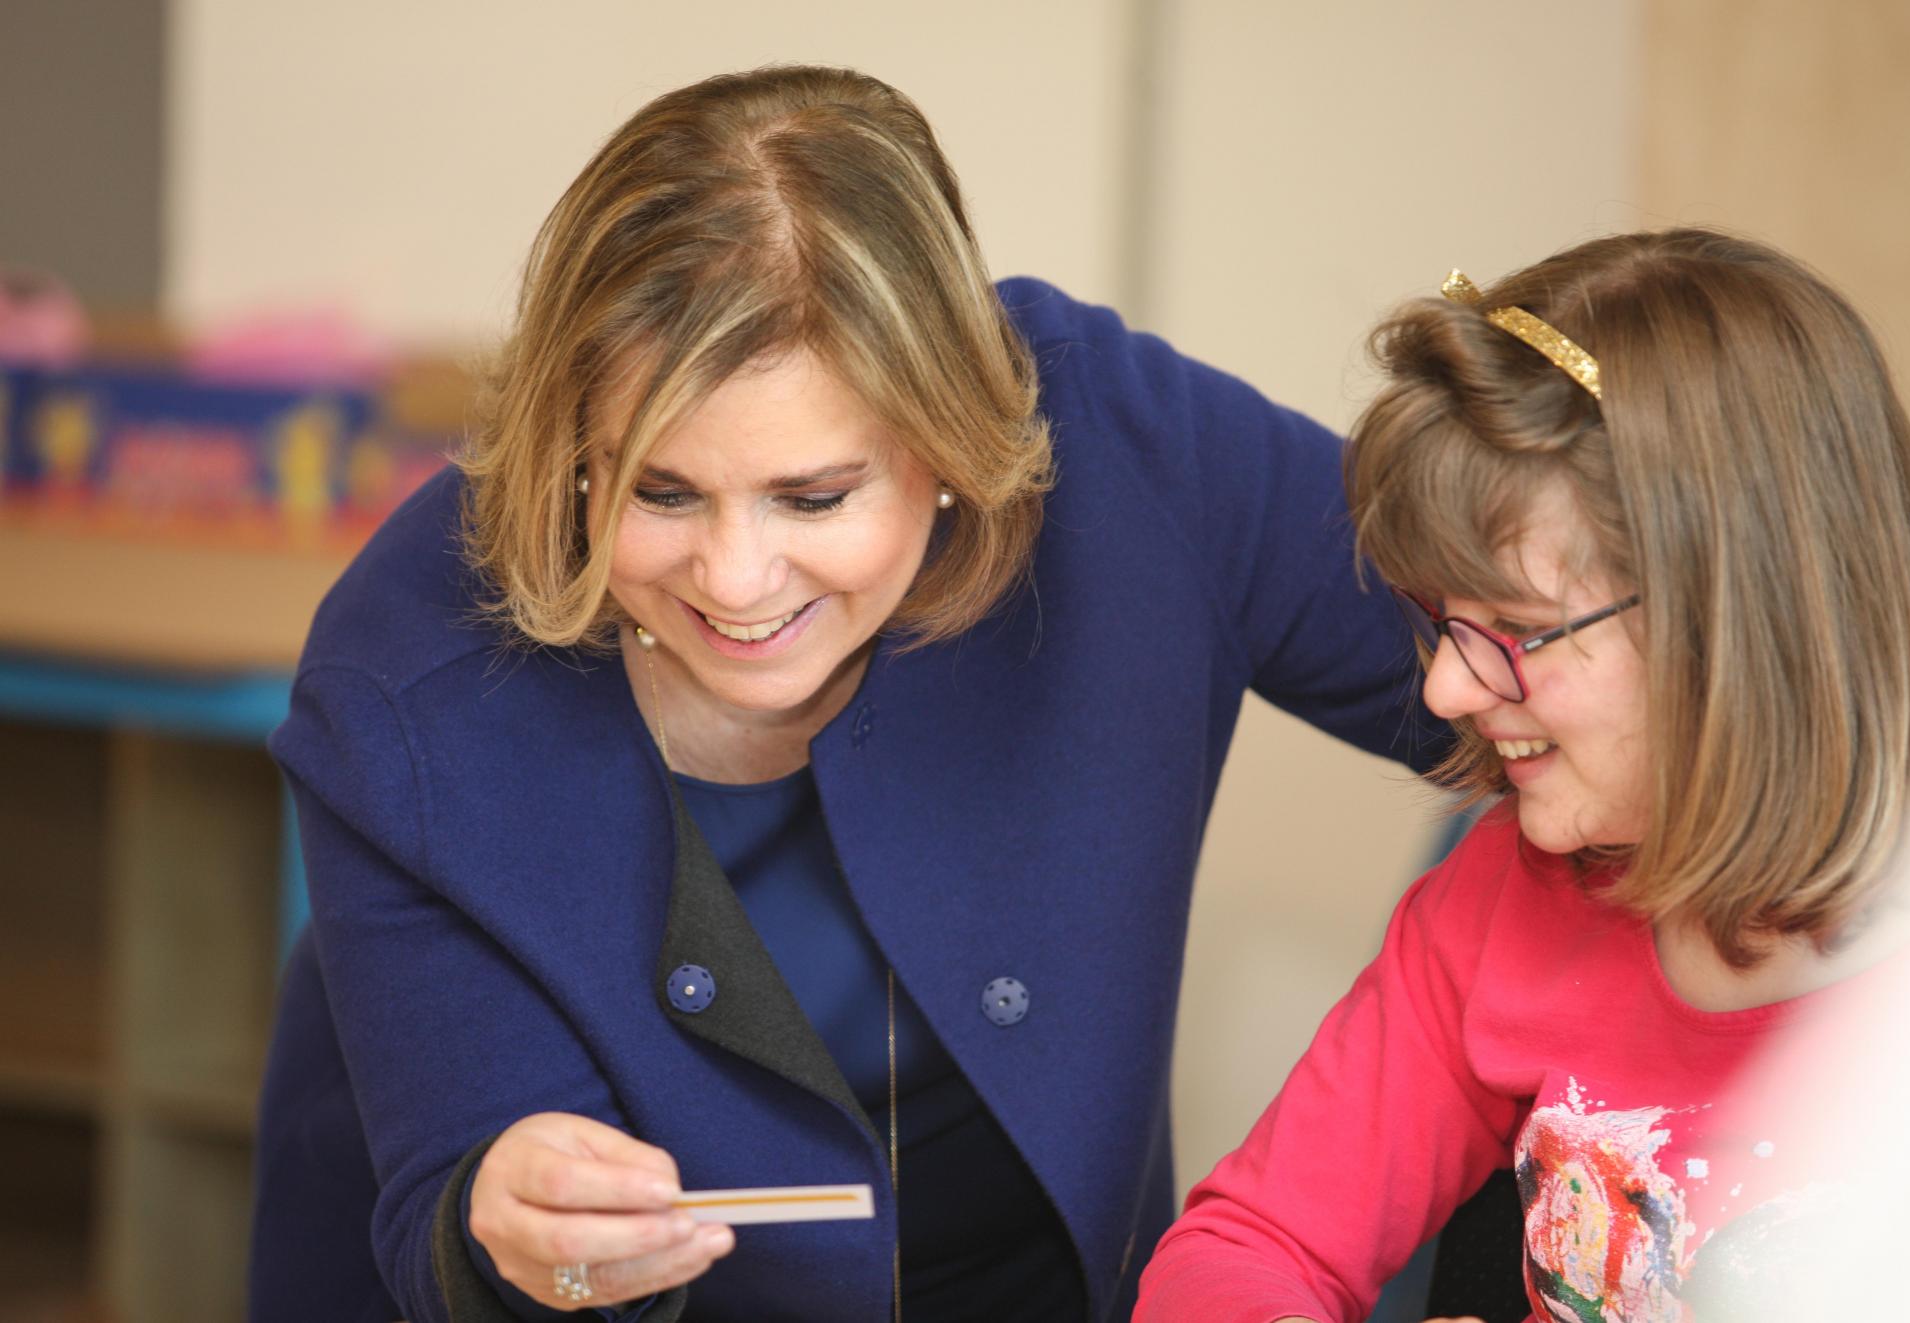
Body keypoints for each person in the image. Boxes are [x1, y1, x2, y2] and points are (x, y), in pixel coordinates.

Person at [248, 65, 1443, 1323]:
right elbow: (453, 1202)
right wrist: (521, 1230)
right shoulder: (409, 675)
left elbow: (1541, 670)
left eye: (814, 498)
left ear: (946, 441)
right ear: (573, 449)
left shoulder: (1125, 454)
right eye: (661, 492)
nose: (737, 577)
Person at [1133, 229, 1910, 1323]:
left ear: (1737, 616)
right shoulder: (1502, 900)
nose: (1445, 690)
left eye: (1519, 629)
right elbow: (1245, 1248)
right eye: (1442, 621)